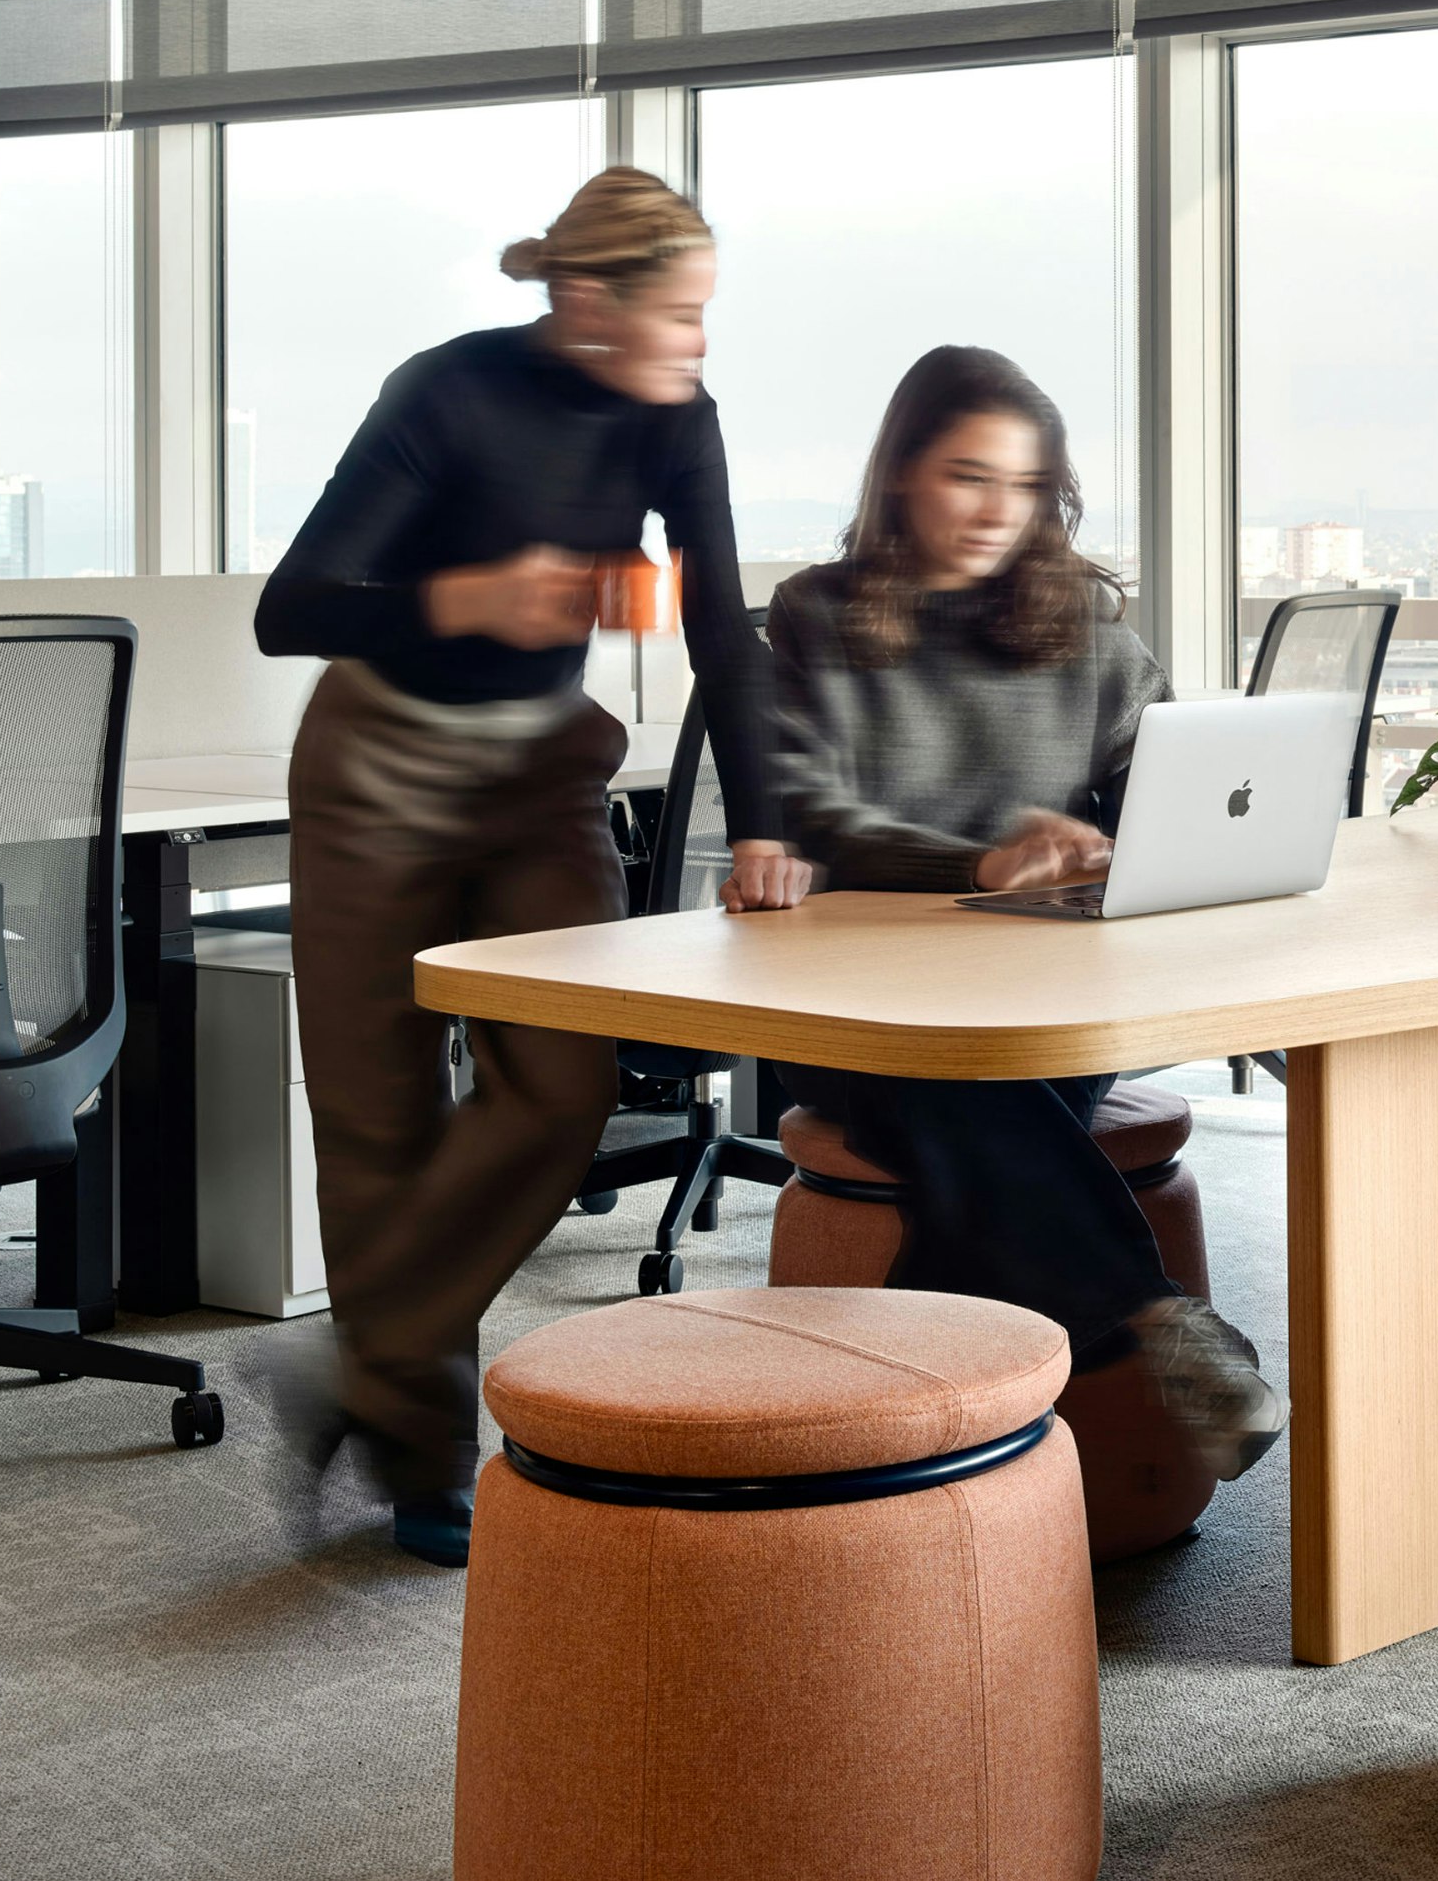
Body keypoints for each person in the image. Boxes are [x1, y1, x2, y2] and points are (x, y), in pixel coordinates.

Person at [255, 169, 807, 1566]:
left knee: (561, 1085)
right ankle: (425, 1453)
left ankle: (360, 1359)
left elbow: (721, 629)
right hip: (377, 768)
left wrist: (763, 823)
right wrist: (469, 597)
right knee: (377, 1127)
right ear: (585, 299)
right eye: (678, 317)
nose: (693, 347)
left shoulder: (680, 422)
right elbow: (294, 606)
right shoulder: (443, 394)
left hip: (539, 778)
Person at [763, 345, 1284, 1480]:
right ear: (901, 473)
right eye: (969, 476)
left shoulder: (1090, 631)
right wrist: (982, 862)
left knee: (994, 1099)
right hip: (858, 1003)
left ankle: (903, 1467)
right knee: (959, 1081)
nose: (1002, 510)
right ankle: (1154, 1319)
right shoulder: (817, 614)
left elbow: (1166, 784)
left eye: (1027, 485)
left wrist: (1143, 845)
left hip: (1043, 993)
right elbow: (813, 813)